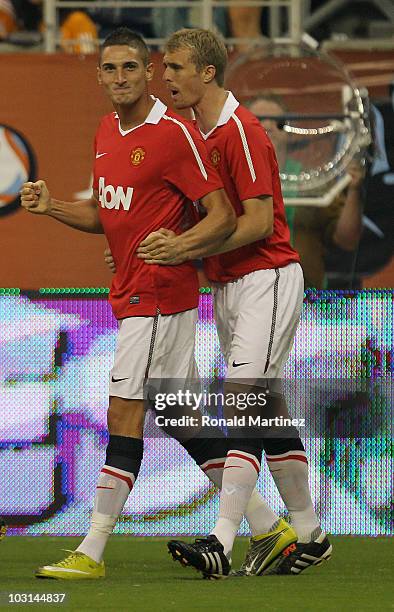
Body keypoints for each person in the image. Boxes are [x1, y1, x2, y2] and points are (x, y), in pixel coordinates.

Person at [20, 27, 238, 580]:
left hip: (161, 296)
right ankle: (267, 523)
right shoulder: (104, 131)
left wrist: (180, 247)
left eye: (130, 68)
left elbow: (222, 215)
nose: (119, 78)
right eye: (110, 69)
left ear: (149, 71)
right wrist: (53, 208)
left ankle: (91, 550)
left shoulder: (171, 133)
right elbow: (106, 217)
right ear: (99, 75)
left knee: (125, 412)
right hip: (134, 295)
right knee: (180, 416)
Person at [134, 28, 332, 577]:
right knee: (266, 411)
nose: (165, 76)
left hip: (266, 276)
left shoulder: (240, 131)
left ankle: (224, 538)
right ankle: (309, 533)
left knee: (243, 398)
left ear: (207, 72)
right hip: (228, 284)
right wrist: (160, 247)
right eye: (165, 67)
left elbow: (261, 222)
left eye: (174, 67)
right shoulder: (193, 133)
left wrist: (183, 249)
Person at [247, 95, 365, 288]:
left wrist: (354, 190)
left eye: (278, 122)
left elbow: (347, 240)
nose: (268, 126)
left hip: (307, 300)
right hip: (246, 296)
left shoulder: (314, 183)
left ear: (290, 133)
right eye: (258, 121)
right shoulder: (231, 183)